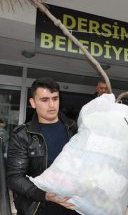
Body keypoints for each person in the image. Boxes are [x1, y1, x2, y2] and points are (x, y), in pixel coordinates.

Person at [6, 77, 79, 215]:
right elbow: (15, 178)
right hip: (39, 208)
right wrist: (44, 194)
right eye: (44, 100)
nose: (52, 105)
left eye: (55, 98)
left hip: (75, 207)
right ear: (33, 103)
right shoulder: (23, 135)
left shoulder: (74, 129)